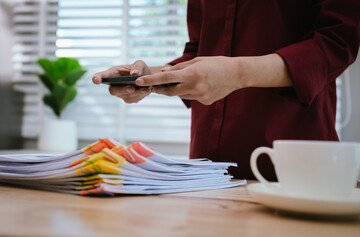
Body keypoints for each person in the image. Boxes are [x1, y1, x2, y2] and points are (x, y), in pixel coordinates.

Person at [93, 0, 360, 180]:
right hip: (205, 173)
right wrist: (150, 76)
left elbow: (337, 42)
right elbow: (200, 51)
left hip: (295, 166)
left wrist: (238, 73)